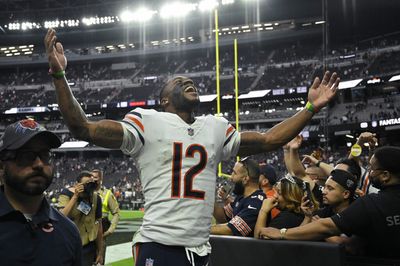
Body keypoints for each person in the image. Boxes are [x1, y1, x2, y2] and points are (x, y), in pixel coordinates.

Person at [44, 28, 340, 266]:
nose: (188, 80)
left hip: (200, 249)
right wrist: (60, 76)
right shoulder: (147, 121)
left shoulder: (214, 126)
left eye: (189, 79)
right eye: (179, 81)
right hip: (159, 245)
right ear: (163, 100)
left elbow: (269, 140)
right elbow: (83, 128)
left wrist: (311, 107)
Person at [258, 146, 400, 259]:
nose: (369, 172)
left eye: (372, 169)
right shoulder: (325, 209)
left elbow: (329, 230)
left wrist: (282, 233)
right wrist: (308, 218)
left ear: (386, 175)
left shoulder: (370, 204)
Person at [0, 119, 82, 266]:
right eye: (26, 155)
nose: (38, 164)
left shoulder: (69, 232)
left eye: (45, 155)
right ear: (1, 167)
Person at [58, 171, 104, 266]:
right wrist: (75, 196)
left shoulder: (96, 198)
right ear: (77, 185)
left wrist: (100, 251)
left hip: (87, 246)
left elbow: (98, 225)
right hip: (68, 245)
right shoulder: (66, 194)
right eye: (86, 184)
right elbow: (61, 217)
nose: (89, 186)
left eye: (91, 183)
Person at [212, 158, 265, 237]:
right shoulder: (242, 198)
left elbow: (230, 230)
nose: (231, 177)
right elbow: (222, 217)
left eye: (234, 173)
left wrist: (200, 229)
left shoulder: (256, 202)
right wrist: (212, 196)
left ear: (245, 179)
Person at [254, 175, 319, 238]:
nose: (275, 196)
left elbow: (258, 239)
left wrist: (263, 211)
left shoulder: (286, 219)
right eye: (276, 191)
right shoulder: (301, 215)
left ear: (291, 198)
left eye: (279, 193)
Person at [91, 169, 120, 261]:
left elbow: (116, 212)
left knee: (99, 259)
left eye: (95, 177)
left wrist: (111, 230)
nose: (93, 179)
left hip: (102, 226)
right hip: (87, 228)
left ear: (101, 179)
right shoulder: (86, 191)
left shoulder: (107, 193)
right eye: (91, 177)